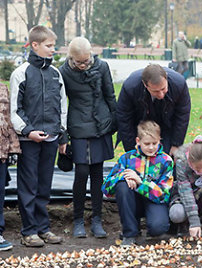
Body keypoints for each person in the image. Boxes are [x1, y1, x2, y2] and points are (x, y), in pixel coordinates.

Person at [10, 25, 67, 247]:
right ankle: (29, 231)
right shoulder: (21, 73)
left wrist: (61, 134)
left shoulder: (56, 74)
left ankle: (44, 228)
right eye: (49, 45)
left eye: (53, 45)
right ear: (35, 45)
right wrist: (28, 131)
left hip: (51, 139)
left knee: (45, 185)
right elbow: (14, 109)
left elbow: (62, 106)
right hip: (28, 140)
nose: (53, 49)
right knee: (28, 186)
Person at [59, 37, 117, 239]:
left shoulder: (102, 67)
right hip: (77, 125)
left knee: (98, 173)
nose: (83, 65)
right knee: (81, 172)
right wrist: (63, 135)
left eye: (86, 60)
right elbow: (61, 104)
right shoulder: (63, 71)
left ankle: (97, 220)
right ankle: (77, 220)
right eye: (79, 62)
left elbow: (110, 95)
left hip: (101, 123)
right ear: (71, 58)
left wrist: (114, 122)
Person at [102, 121, 173, 247]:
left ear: (159, 141)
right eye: (146, 144)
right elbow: (106, 188)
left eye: (154, 143)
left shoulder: (166, 161)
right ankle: (129, 234)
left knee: (158, 228)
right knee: (122, 186)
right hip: (132, 201)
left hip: (154, 201)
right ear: (138, 141)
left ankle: (151, 226)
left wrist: (140, 182)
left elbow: (163, 195)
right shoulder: (127, 158)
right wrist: (123, 176)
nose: (151, 147)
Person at [116, 64, 191, 156]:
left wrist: (176, 144)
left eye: (163, 89)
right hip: (139, 125)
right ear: (145, 85)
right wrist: (131, 149)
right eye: (155, 91)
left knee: (166, 158)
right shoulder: (131, 87)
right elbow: (124, 118)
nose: (161, 95)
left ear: (166, 79)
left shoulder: (179, 84)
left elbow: (182, 115)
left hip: (167, 124)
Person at [169, 135, 202, 242]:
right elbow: (185, 192)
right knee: (176, 214)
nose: (201, 170)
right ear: (190, 162)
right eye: (197, 168)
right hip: (184, 197)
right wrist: (194, 221)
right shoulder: (181, 162)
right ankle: (184, 224)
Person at [0, 84, 21, 251]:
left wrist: (13, 148)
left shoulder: (2, 88)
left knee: (0, 192)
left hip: (1, 150)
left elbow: (7, 120)